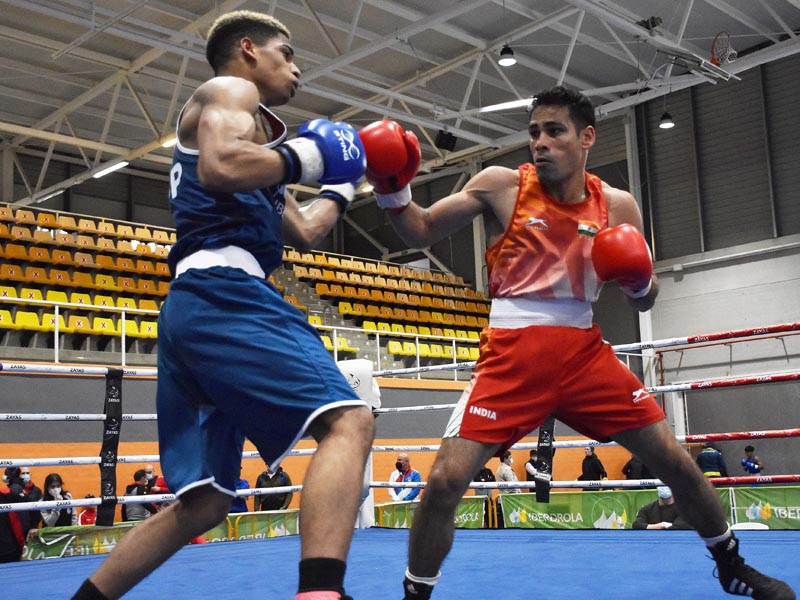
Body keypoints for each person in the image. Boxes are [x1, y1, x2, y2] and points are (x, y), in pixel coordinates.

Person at [358, 86, 794, 599]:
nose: (540, 143)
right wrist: (392, 189)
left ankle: (731, 564)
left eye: (554, 131)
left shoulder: (616, 204)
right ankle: (415, 593)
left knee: (676, 460)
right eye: (534, 133)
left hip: (585, 351)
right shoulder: (502, 185)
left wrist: (636, 281)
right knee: (446, 481)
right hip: (512, 351)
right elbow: (421, 231)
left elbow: (646, 299)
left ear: (586, 137)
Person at [70, 11, 374, 600]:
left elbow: (306, 231)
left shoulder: (254, 136)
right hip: (225, 294)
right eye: (285, 52)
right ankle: (321, 593)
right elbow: (221, 166)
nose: (297, 66)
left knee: (206, 500)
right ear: (247, 50)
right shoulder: (228, 91)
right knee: (350, 419)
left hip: (194, 306)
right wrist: (311, 157)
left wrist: (342, 183)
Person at [0, 467, 27, 563]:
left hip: (10, 547)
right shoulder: (7, 493)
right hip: (11, 547)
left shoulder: (7, 494)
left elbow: (20, 520)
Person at [19, 466, 42, 535]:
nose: (25, 475)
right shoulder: (15, 491)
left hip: (33, 528)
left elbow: (40, 511)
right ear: (18, 475)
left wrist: (34, 526)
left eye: (27, 473)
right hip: (18, 527)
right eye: (23, 473)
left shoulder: (37, 490)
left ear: (30, 475)